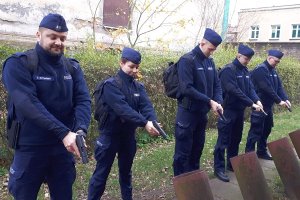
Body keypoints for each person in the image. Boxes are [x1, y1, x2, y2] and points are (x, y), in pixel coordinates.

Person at [2, 13, 91, 199]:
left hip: (62, 149)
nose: (58, 42)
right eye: (53, 36)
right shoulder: (18, 64)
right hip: (30, 148)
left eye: (62, 38)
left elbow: (83, 100)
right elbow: (27, 103)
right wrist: (64, 133)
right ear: (38, 35)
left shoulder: (72, 67)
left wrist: (80, 130)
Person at [88, 47, 160, 200]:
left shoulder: (138, 87)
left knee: (126, 174)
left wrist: (153, 121)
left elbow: (146, 106)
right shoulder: (110, 85)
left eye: (137, 67)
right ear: (121, 63)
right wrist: (144, 123)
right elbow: (123, 109)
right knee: (101, 175)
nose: (134, 70)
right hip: (109, 137)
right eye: (131, 66)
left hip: (128, 137)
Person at [173, 28, 224, 176]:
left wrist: (218, 101)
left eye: (214, 50)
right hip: (187, 114)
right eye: (210, 49)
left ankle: (194, 183)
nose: (211, 52)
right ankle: (181, 186)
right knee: (183, 153)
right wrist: (209, 101)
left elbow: (217, 85)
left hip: (202, 115)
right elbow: (186, 88)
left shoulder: (210, 62)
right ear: (202, 43)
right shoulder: (187, 60)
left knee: (197, 150)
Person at [213, 44, 263, 182]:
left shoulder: (245, 71)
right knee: (223, 140)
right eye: (245, 58)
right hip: (227, 111)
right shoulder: (229, 70)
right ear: (238, 55)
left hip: (239, 111)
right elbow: (233, 90)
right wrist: (250, 103)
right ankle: (219, 168)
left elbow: (250, 88)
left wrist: (257, 100)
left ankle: (231, 164)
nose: (247, 61)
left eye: (249, 59)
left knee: (235, 139)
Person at [245, 49, 291, 160]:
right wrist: (279, 101)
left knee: (267, 129)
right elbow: (266, 88)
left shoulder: (273, 71)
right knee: (255, 131)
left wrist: (285, 98)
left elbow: (279, 87)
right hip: (259, 106)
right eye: (276, 61)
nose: (277, 63)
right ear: (269, 58)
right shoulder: (260, 70)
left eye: (278, 62)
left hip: (268, 107)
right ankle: (249, 155)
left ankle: (261, 151)